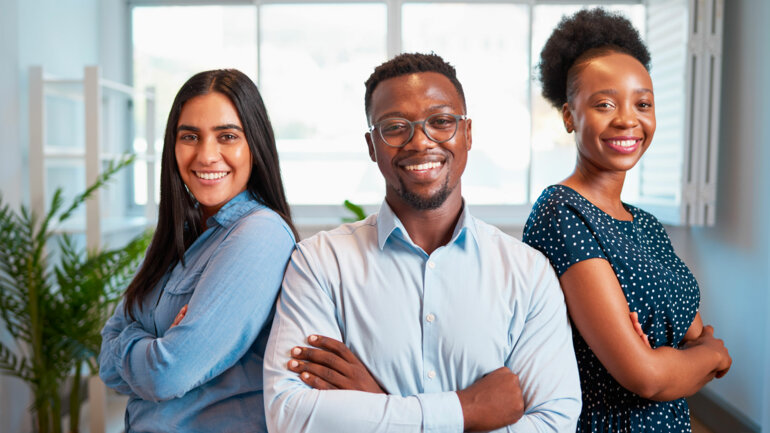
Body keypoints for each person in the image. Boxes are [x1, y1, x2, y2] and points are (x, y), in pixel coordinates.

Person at [262, 53, 581, 432]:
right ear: (371, 145)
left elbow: (553, 423)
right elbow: (289, 414)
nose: (419, 142)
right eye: (395, 127)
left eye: (441, 122)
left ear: (467, 134)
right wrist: (466, 410)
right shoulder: (319, 264)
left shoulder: (528, 273)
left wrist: (379, 407)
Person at [522, 8, 732, 432]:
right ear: (569, 116)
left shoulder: (646, 224)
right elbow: (647, 377)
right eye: (604, 103)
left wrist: (676, 355)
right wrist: (712, 356)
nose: (627, 119)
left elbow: (689, 330)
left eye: (643, 103)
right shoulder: (562, 212)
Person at [98, 69, 297, 433]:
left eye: (227, 136)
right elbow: (104, 362)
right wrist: (151, 346)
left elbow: (166, 375)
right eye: (190, 136)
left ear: (255, 144)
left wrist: (129, 339)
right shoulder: (180, 237)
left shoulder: (260, 234)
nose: (206, 155)